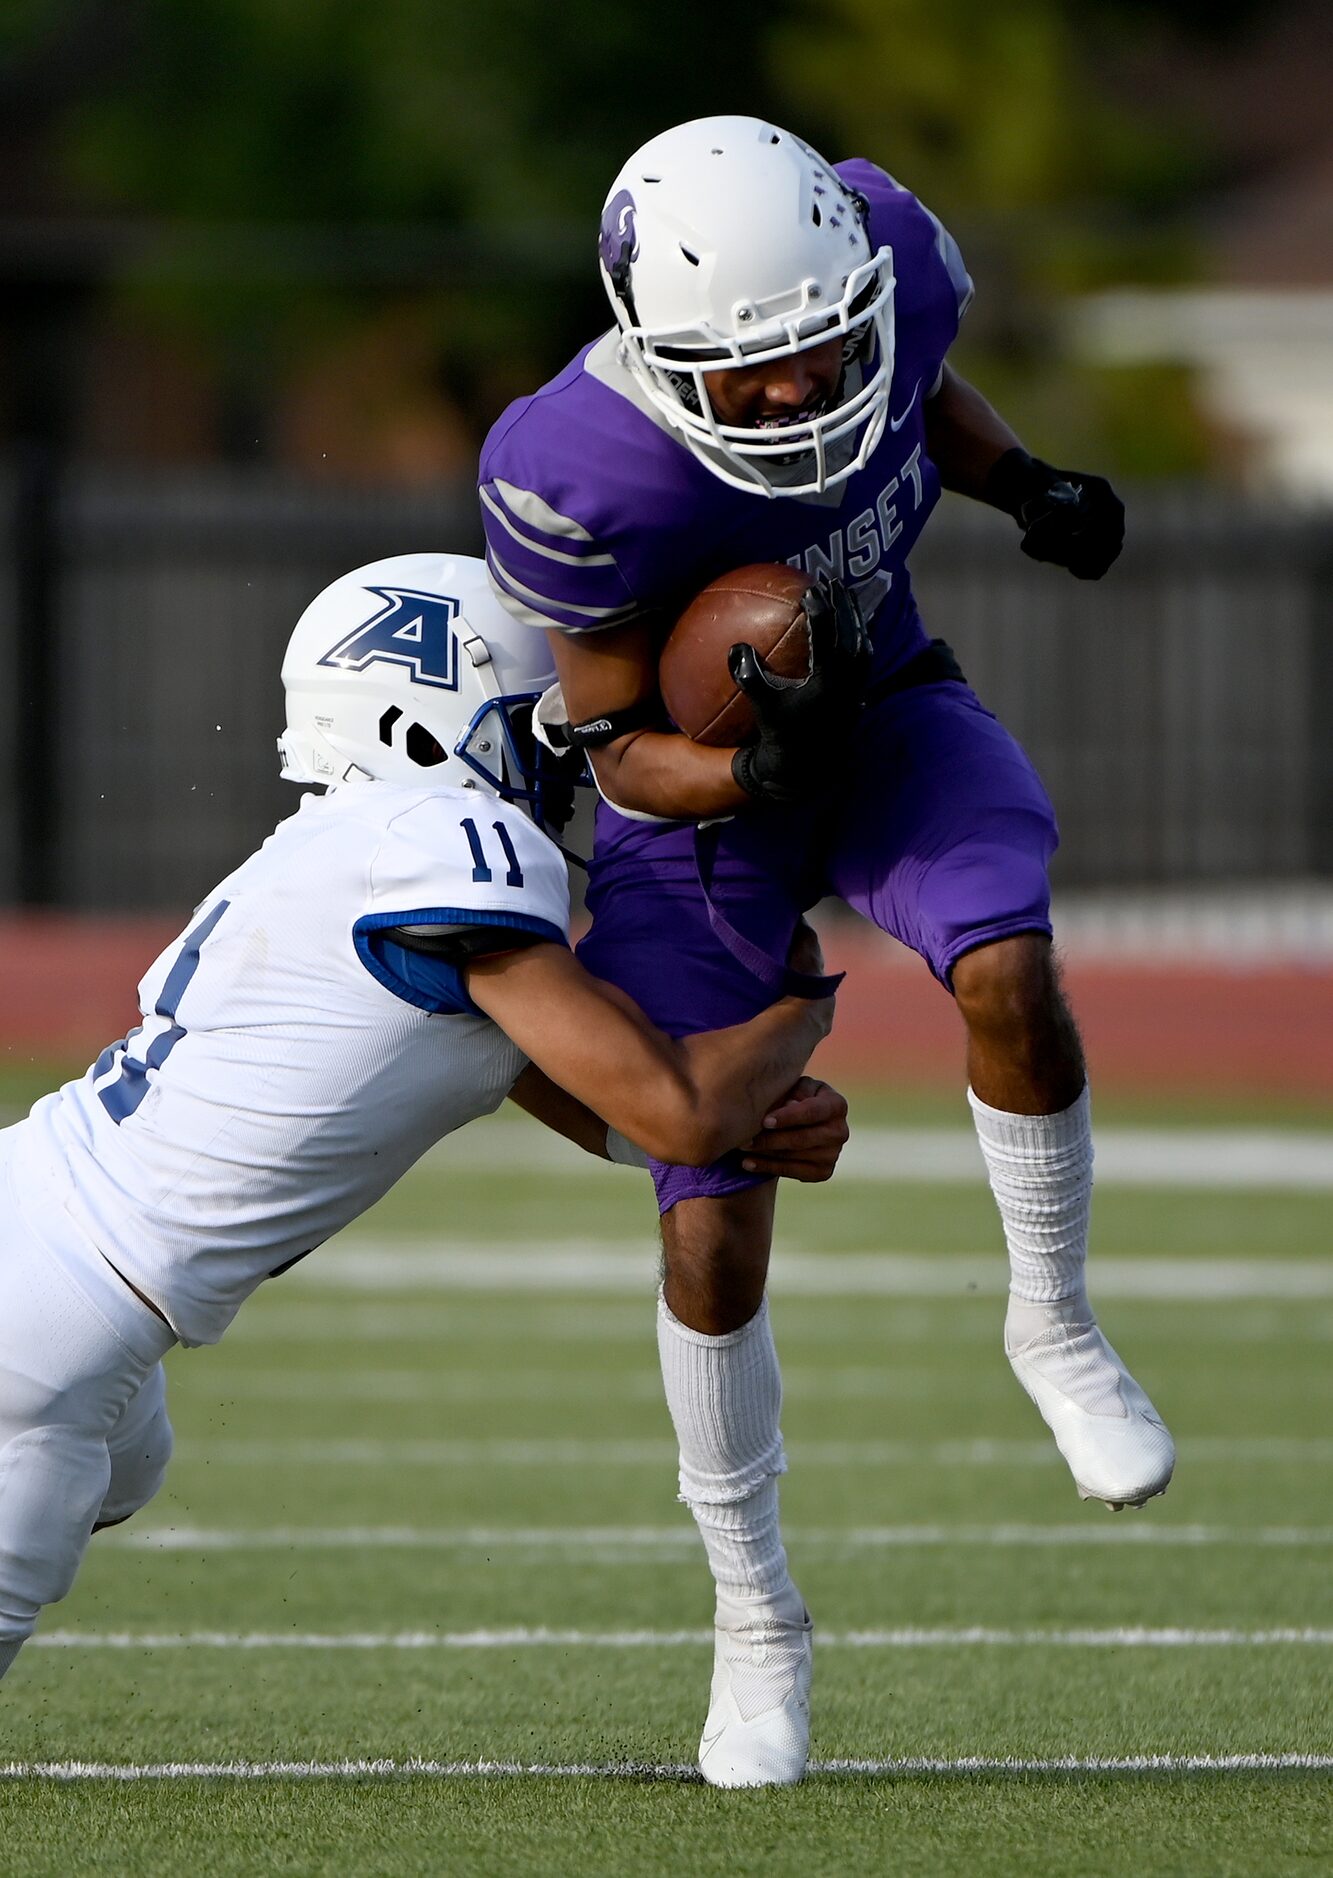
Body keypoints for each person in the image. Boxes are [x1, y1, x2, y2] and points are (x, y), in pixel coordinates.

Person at [479, 115, 1175, 1787]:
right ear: (661, 361)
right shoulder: (577, 468)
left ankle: (1053, 1322)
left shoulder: (894, 257)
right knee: (709, 1216)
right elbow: (608, 747)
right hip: (688, 807)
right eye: (754, 377)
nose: (797, 396)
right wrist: (741, 769)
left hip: (881, 699)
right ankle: (755, 1621)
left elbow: (916, 386)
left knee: (1005, 961)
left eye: (819, 353)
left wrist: (1022, 484)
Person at [0, 551, 851, 1699]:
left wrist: (753, 1121)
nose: (558, 755)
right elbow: (680, 1112)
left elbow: (622, 1108)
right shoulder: (441, 838)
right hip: (55, 1312)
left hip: (59, 1253)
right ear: (418, 725)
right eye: (530, 724)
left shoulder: (354, 847)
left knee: (125, 1472)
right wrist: (800, 1006)